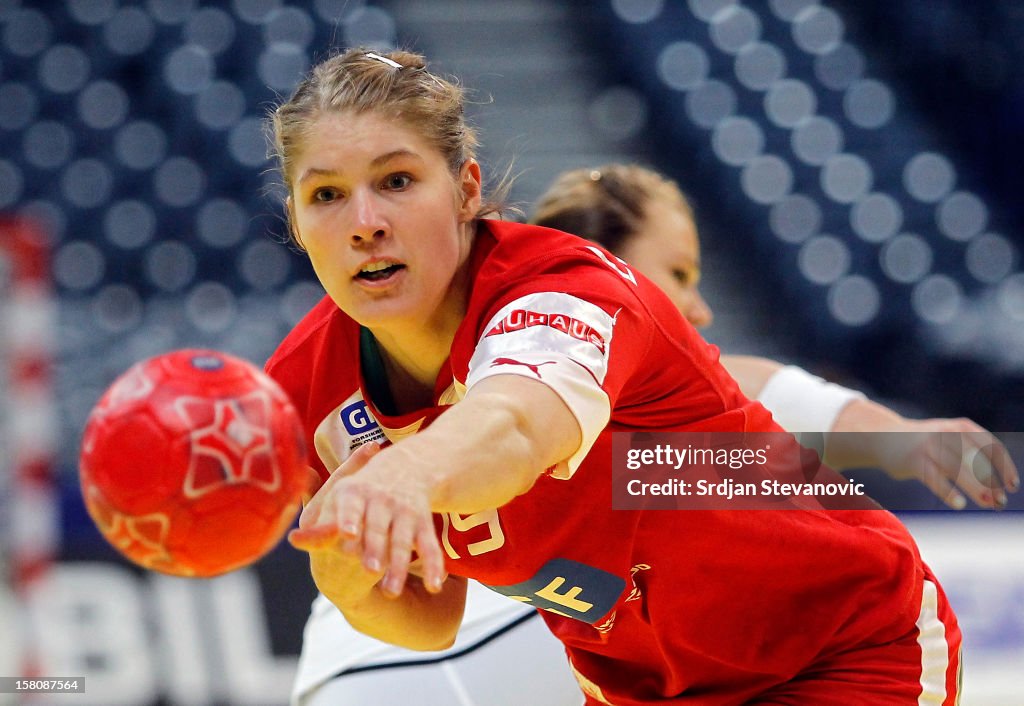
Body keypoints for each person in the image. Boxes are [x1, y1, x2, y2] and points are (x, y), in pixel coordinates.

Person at [266, 47, 964, 705]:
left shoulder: (562, 292)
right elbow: (430, 620)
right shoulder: (305, 387)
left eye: (396, 182)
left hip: (839, 648)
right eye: (326, 194)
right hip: (641, 686)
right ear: (295, 221)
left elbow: (512, 427)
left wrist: (406, 472)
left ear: (465, 189)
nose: (364, 224)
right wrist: (343, 573)